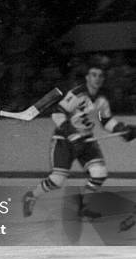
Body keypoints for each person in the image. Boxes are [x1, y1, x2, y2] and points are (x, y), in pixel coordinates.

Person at [22, 64, 136, 219]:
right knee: (57, 180)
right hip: (64, 139)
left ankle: (84, 207)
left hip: (87, 140)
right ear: (87, 78)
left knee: (99, 173)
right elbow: (57, 115)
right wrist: (73, 135)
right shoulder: (76, 94)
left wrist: (122, 130)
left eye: (100, 76)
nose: (97, 78)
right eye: (93, 75)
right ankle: (31, 196)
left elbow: (106, 121)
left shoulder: (102, 100)